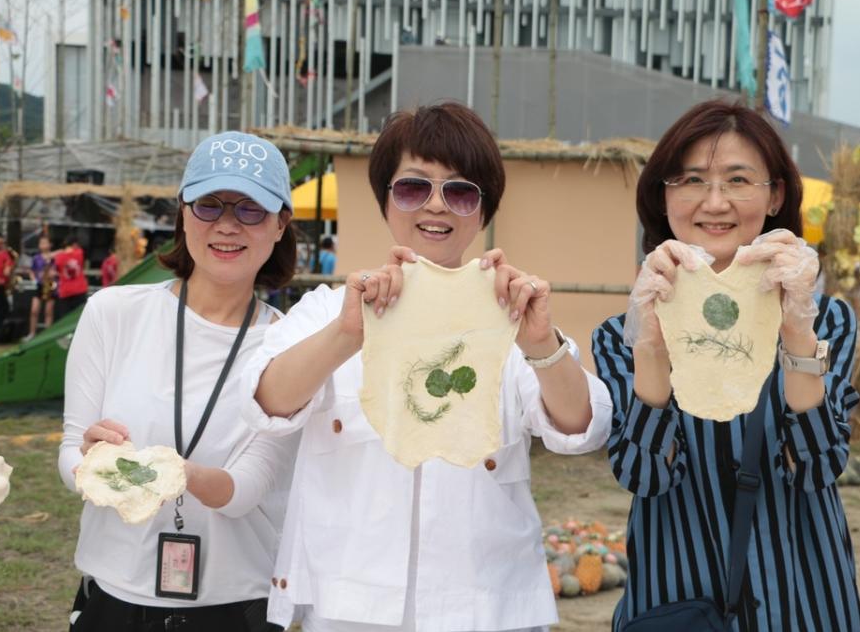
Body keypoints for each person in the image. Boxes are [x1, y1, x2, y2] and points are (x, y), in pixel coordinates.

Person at [241, 102, 613, 632]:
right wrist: (349, 332)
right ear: (385, 200)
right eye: (414, 187)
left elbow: (581, 426)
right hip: (351, 610)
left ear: (483, 212)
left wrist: (540, 344)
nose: (436, 206)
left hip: (487, 609)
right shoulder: (330, 309)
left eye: (460, 191)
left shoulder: (512, 309)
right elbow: (264, 400)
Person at [592, 100, 860, 631]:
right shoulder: (619, 335)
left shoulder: (825, 320)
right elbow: (642, 474)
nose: (714, 202)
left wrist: (794, 332)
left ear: (775, 196)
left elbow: (817, 467)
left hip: (807, 600)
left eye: (738, 180)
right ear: (664, 196)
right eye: (692, 179)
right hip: (679, 603)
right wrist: (651, 345)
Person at [58, 131, 301, 632]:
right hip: (111, 600)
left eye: (250, 209)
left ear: (280, 225)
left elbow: (244, 491)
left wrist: (171, 471)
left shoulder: (292, 346)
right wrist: (89, 462)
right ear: (183, 213)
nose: (227, 226)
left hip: (237, 608)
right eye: (209, 205)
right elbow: (69, 455)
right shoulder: (112, 313)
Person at [24, 235, 57, 342]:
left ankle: (47, 335)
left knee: (48, 312)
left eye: (45, 242)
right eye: (41, 243)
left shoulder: (54, 257)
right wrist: (33, 278)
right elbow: (31, 270)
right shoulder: (36, 258)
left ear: (50, 244)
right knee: (34, 310)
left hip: (50, 285)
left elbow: (57, 269)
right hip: (39, 285)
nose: (42, 245)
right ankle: (32, 333)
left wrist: (53, 273)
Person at [54, 236, 89, 320]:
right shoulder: (80, 253)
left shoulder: (58, 257)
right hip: (79, 290)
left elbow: (58, 270)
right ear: (75, 244)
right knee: (80, 318)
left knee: (65, 319)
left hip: (65, 291)